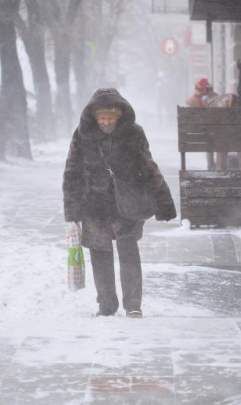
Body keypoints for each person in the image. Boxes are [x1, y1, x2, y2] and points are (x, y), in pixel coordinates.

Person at [63, 88, 176, 318]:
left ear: (119, 116)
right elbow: (72, 172)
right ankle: (106, 305)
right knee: (99, 254)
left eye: (110, 117)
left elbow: (148, 166)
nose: (106, 122)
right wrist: (72, 212)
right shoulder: (82, 135)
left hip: (127, 203)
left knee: (128, 252)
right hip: (93, 204)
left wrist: (164, 201)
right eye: (101, 117)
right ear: (93, 116)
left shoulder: (134, 134)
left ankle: (133, 304)